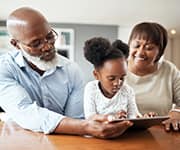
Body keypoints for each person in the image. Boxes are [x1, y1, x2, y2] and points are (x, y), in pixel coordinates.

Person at [0, 7, 132, 139]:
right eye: (36, 43)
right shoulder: (4, 68)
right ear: (15, 44)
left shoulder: (71, 70)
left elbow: (74, 120)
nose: (47, 46)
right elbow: (25, 112)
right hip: (19, 141)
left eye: (50, 37)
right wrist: (86, 127)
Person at [123, 22, 180, 131]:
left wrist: (177, 113)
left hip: (161, 133)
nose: (140, 52)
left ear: (160, 53)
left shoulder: (169, 70)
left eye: (148, 48)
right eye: (136, 45)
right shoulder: (117, 68)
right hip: (122, 132)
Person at [83, 37, 140, 120]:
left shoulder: (128, 91)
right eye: (111, 78)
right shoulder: (91, 88)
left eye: (122, 77)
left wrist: (144, 117)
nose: (118, 83)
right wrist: (112, 118)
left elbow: (133, 116)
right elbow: (90, 117)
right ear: (96, 75)